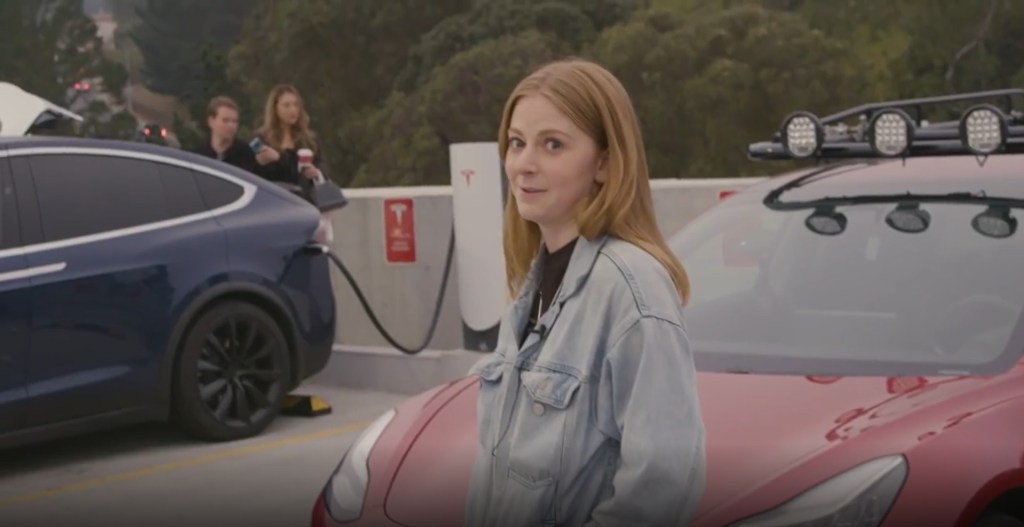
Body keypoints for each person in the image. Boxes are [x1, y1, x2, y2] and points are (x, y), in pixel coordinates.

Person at [464, 58, 706, 527]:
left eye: (552, 144)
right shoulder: (532, 287)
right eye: (517, 143)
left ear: (604, 162)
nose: (523, 164)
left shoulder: (632, 288)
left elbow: (663, 485)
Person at [250, 84, 326, 191]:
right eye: (286, 105)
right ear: (275, 109)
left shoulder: (309, 139)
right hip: (275, 200)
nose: (293, 110)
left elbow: (322, 166)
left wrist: (317, 173)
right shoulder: (262, 139)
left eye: (296, 105)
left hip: (304, 200)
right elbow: (250, 172)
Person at [192, 96, 259, 173]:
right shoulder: (198, 155)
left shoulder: (246, 154)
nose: (231, 126)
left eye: (234, 121)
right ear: (211, 121)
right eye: (225, 121)